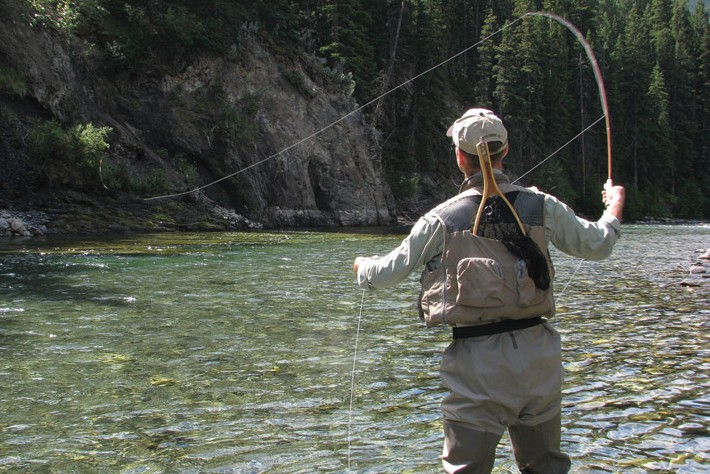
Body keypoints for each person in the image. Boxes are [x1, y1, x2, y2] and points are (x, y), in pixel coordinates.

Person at [352, 108, 625, 473]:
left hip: (476, 370)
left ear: (460, 157)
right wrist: (614, 207)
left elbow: (387, 272)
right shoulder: (543, 207)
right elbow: (599, 243)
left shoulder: (440, 219)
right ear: (505, 151)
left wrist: (361, 268)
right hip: (540, 362)